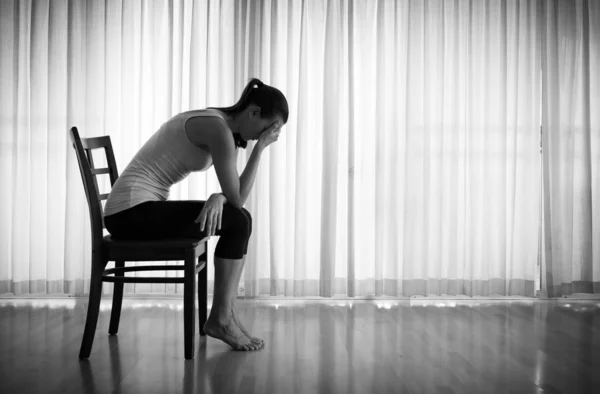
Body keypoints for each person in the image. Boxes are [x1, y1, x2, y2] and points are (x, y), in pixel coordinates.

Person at [103, 78, 288, 351]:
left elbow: (233, 193)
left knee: (241, 219)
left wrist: (220, 195)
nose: (262, 137)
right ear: (253, 112)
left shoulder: (223, 128)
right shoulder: (218, 129)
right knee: (237, 221)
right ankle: (221, 319)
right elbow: (237, 198)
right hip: (129, 214)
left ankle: (227, 314)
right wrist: (259, 150)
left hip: (135, 211)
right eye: (265, 131)